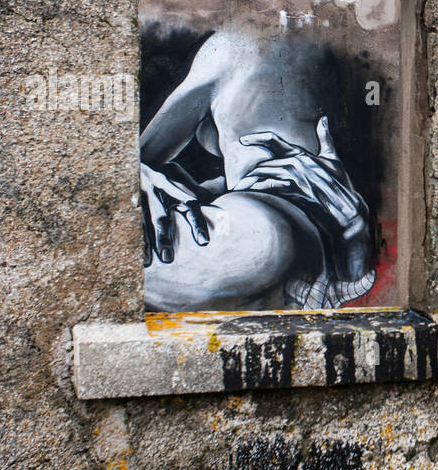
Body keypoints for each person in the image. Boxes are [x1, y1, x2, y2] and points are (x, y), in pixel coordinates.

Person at [139, 28, 375, 311]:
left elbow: (137, 162)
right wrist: (354, 236)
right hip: (335, 246)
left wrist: (140, 174)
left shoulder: (236, 43)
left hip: (251, 239)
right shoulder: (353, 57)